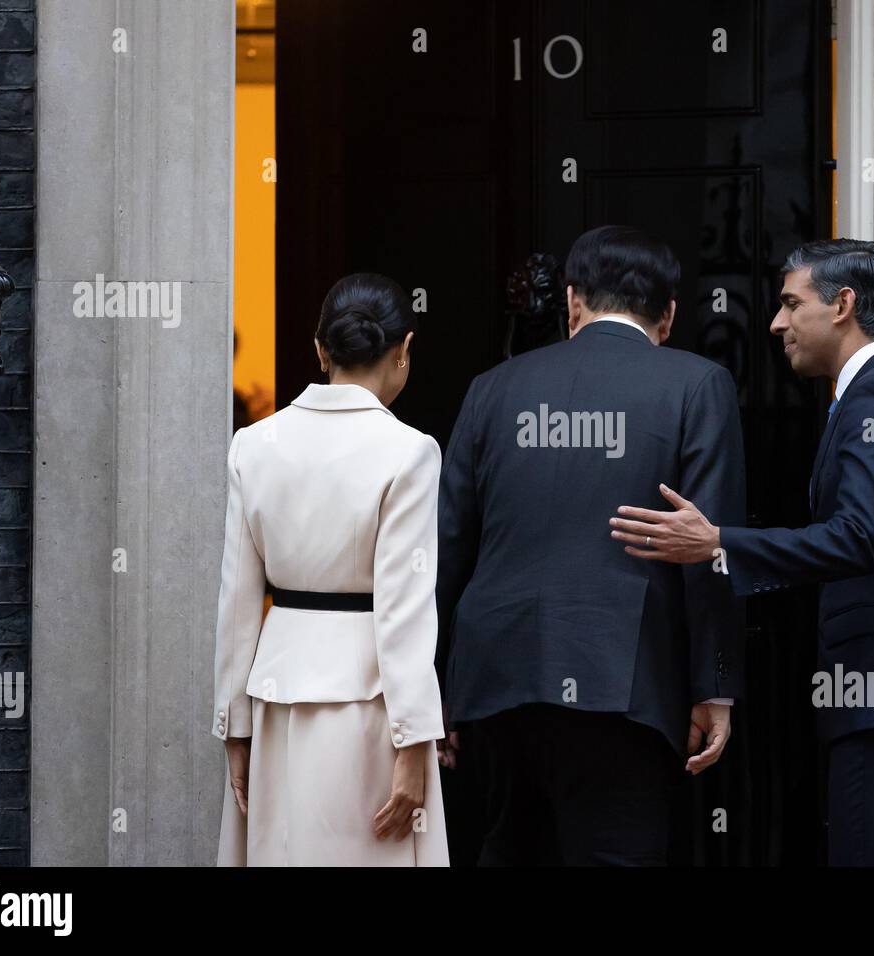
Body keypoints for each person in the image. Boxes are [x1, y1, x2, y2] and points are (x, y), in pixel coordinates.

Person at [611, 238, 874, 866]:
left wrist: (717, 543)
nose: (776, 322)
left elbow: (857, 536)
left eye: (792, 304)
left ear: (842, 304)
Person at [436, 225, 746, 866]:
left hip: (497, 679)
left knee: (508, 852)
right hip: (623, 684)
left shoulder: (491, 388)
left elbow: (447, 547)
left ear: (573, 301)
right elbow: (707, 550)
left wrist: (432, 688)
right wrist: (713, 687)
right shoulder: (698, 384)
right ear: (669, 314)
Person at [212, 272, 449, 866]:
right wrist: (416, 740)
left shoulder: (252, 445)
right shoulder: (410, 451)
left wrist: (234, 726)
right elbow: (404, 609)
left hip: (275, 699)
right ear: (405, 350)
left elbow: (237, 599)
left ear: (321, 351)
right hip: (370, 706)